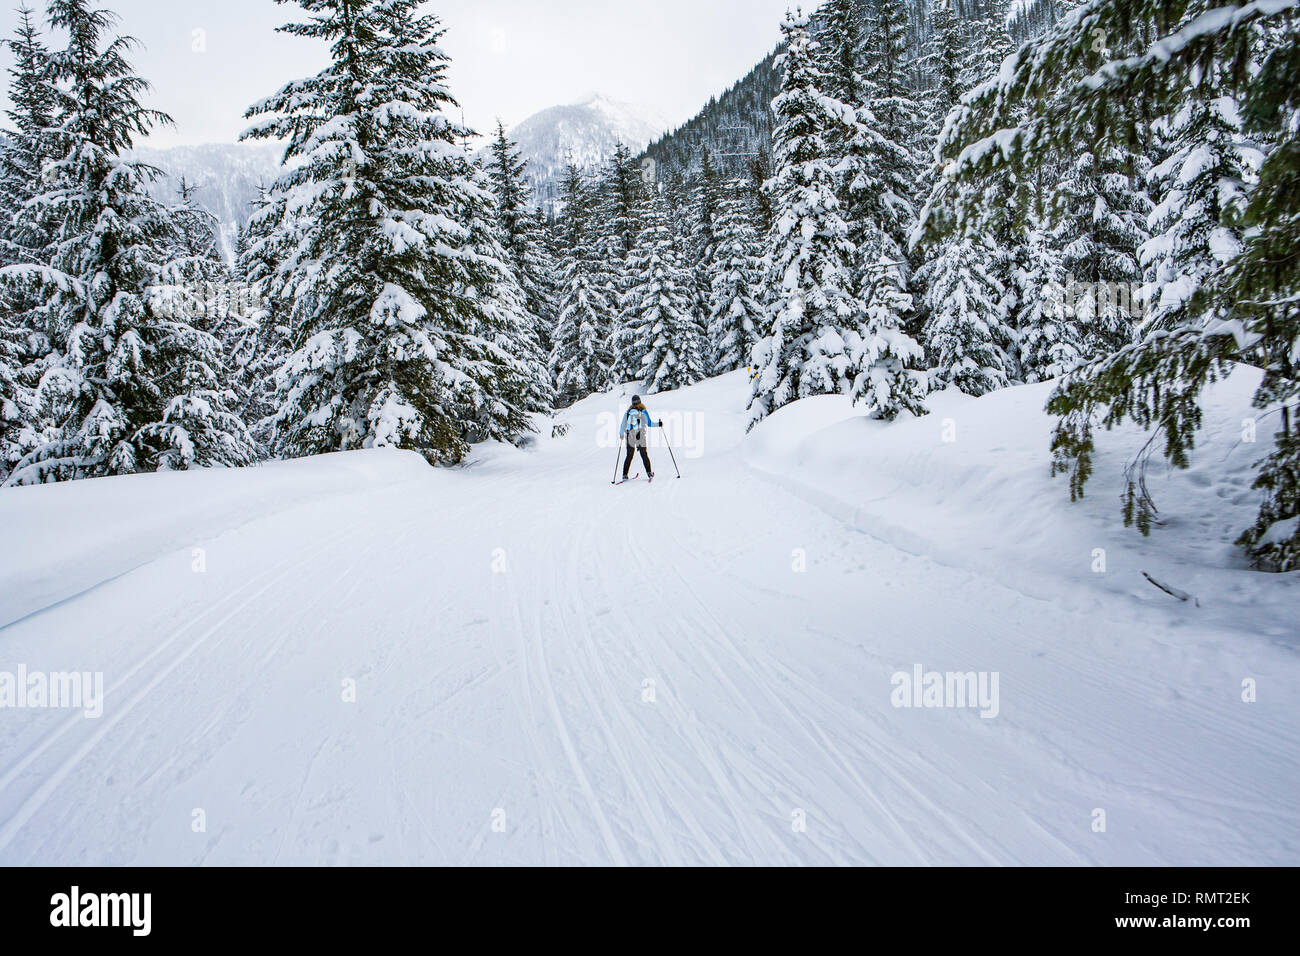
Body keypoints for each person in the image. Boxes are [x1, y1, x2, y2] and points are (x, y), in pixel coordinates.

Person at [619, 395, 663, 481]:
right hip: (640, 435)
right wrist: (659, 424)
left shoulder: (628, 412)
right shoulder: (643, 411)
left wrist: (621, 434)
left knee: (629, 455)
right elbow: (649, 423)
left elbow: (623, 424)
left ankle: (624, 474)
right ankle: (649, 473)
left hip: (630, 435)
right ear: (640, 402)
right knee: (643, 454)